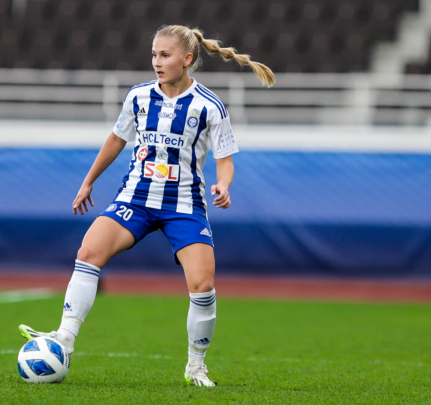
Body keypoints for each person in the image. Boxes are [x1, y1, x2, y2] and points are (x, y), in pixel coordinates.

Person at [19, 25, 275, 387]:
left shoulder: (209, 105)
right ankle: (64, 339)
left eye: (165, 55)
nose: (156, 62)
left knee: (202, 285)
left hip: (184, 204)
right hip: (136, 198)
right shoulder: (138, 97)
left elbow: (226, 158)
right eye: (154, 54)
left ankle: (196, 366)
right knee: (89, 251)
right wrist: (89, 179)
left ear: (186, 59)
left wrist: (223, 184)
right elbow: (116, 139)